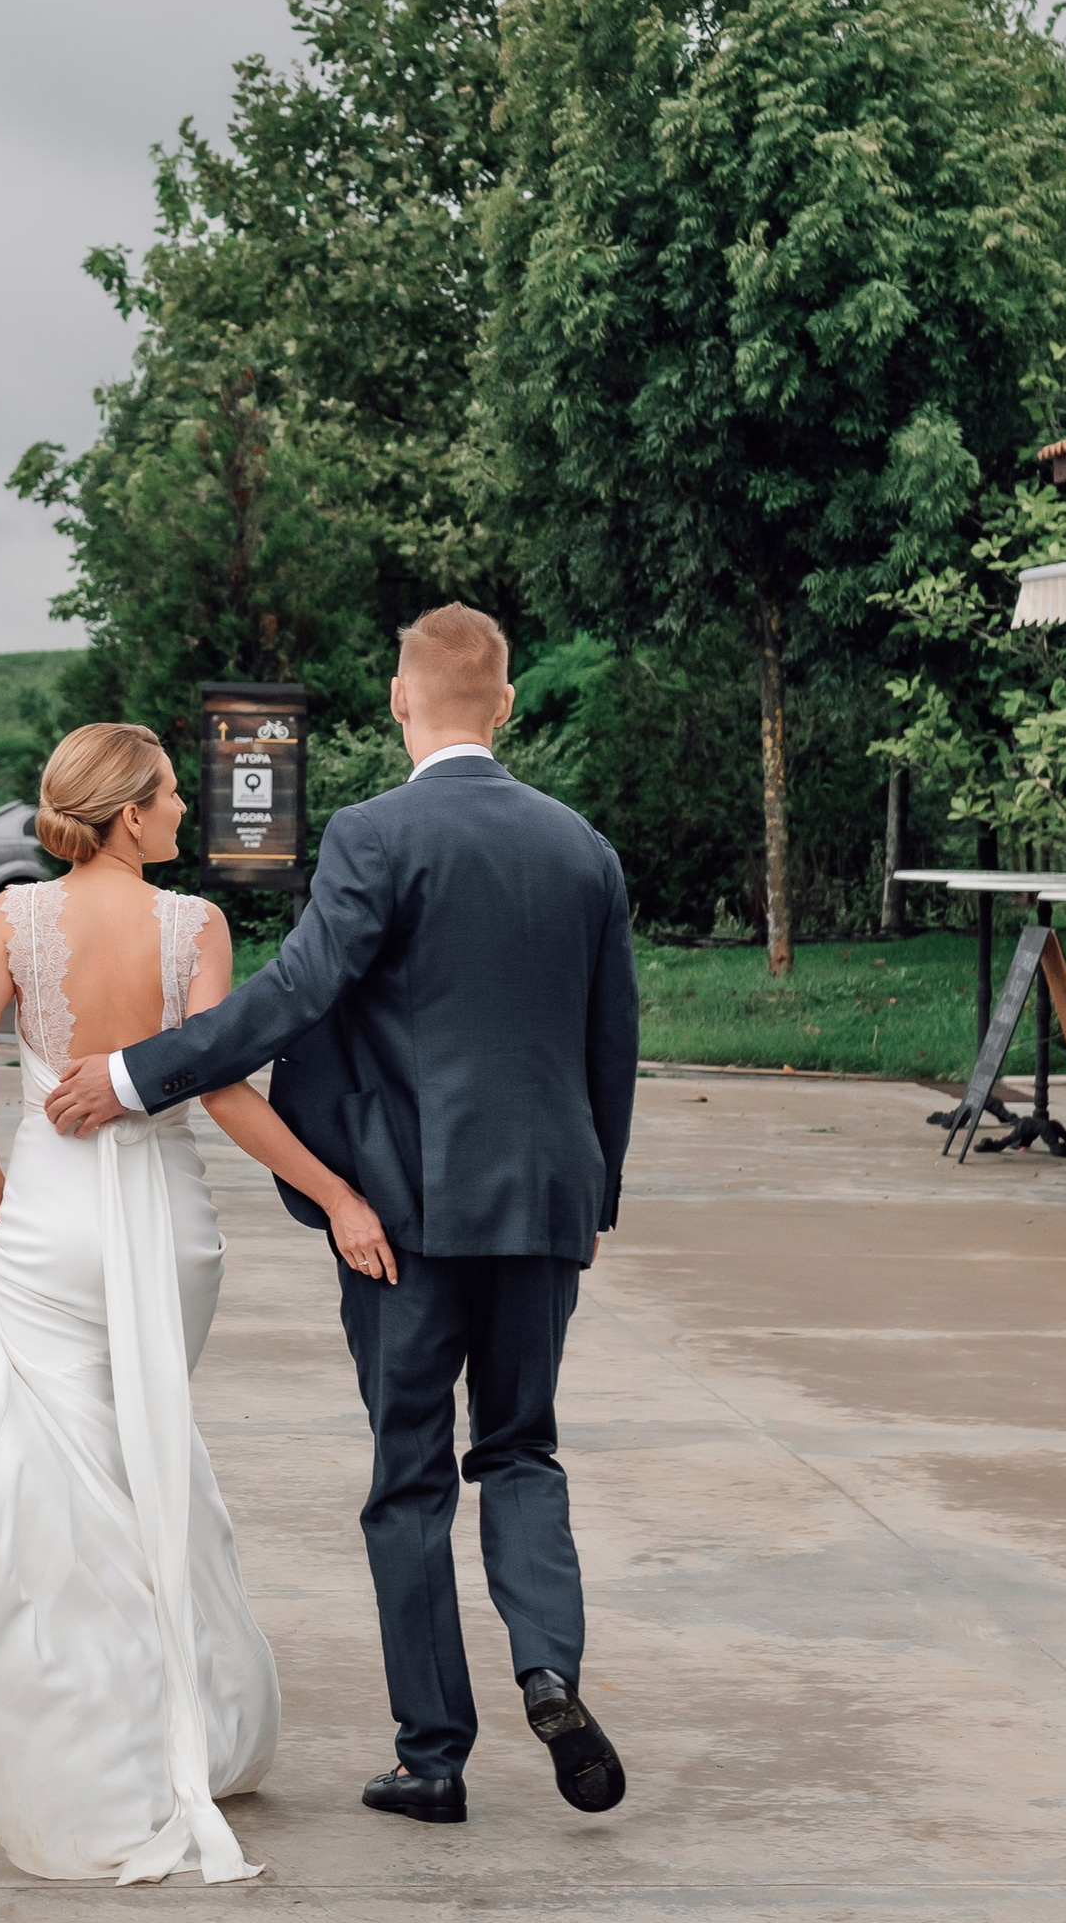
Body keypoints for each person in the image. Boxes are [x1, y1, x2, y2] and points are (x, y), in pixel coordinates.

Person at [47, 606, 638, 1827]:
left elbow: (297, 994)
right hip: (543, 1204)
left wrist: (130, 1073)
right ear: (509, 705)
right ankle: (548, 1669)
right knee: (522, 1448)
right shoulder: (582, 848)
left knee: (410, 1476)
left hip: (404, 1217)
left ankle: (433, 1759)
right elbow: (610, 1045)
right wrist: (594, 1194)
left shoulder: (376, 835)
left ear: (397, 700)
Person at [0, 721, 385, 1885]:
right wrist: (334, 1192)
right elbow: (218, 1088)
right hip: (170, 1227)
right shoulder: (194, 928)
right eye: (169, 796)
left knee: (65, 1479)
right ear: (128, 814)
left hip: (47, 1226)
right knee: (147, 1453)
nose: (182, 813)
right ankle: (195, 1723)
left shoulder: (13, 916)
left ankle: (88, 1736)